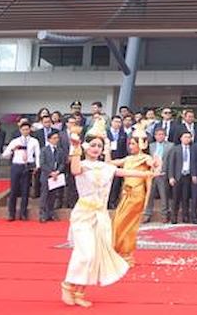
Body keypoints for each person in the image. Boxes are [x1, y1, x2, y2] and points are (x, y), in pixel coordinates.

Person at [60, 124, 152, 307]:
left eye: (99, 146)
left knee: (95, 255)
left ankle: (79, 292)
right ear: (86, 147)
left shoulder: (105, 167)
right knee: (85, 252)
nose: (96, 149)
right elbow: (75, 169)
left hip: (100, 216)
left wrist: (150, 173)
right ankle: (68, 285)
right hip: (84, 214)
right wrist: (75, 145)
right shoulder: (83, 165)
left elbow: (124, 171)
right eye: (93, 145)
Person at [111, 125, 154, 267]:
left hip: (137, 195)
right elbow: (111, 163)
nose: (130, 146)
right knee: (118, 222)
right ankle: (120, 252)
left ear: (141, 144)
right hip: (126, 195)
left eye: (133, 143)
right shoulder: (128, 159)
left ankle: (125, 253)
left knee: (127, 224)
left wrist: (156, 164)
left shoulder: (145, 158)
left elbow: (154, 164)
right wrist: (105, 148)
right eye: (130, 143)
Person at [2, 121, 40, 221]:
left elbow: (37, 154)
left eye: (27, 129)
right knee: (13, 190)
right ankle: (11, 213)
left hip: (27, 166)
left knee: (25, 191)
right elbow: (5, 155)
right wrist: (13, 150)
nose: (25, 131)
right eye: (23, 130)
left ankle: (23, 213)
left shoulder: (34, 141)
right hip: (16, 165)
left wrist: (37, 166)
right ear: (20, 130)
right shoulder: (15, 141)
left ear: (30, 130)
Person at [142, 127, 174, 223]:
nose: (160, 136)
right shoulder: (151, 146)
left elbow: (171, 161)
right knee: (150, 195)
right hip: (152, 173)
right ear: (155, 136)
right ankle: (147, 214)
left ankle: (164, 214)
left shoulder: (170, 146)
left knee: (164, 195)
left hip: (163, 173)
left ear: (165, 135)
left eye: (162, 134)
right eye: (158, 134)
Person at [39, 131, 66, 222]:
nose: (56, 140)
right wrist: (51, 173)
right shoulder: (44, 150)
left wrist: (58, 171)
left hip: (56, 175)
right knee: (44, 195)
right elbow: (42, 164)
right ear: (49, 139)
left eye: (57, 138)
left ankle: (51, 213)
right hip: (47, 175)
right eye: (54, 138)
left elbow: (62, 163)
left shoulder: (60, 150)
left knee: (53, 195)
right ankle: (43, 214)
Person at [168, 131, 193, 223]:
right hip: (177, 176)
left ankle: (185, 217)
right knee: (175, 198)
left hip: (188, 176)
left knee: (185, 198)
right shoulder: (175, 149)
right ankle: (174, 217)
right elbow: (171, 164)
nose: (187, 139)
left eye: (189, 137)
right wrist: (171, 177)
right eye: (185, 137)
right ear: (181, 138)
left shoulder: (192, 149)